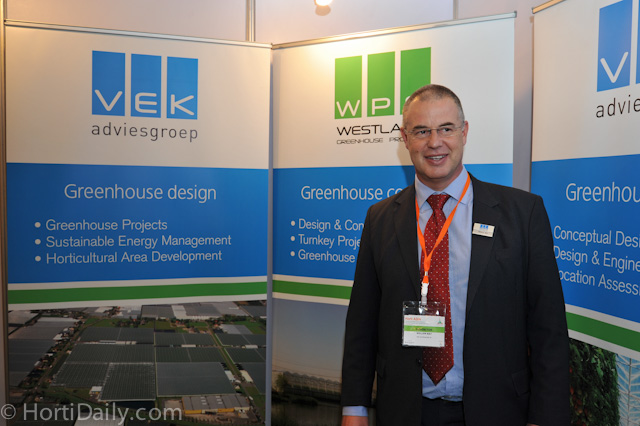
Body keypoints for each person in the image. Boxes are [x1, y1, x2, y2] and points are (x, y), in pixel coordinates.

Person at [340, 84, 569, 426]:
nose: (435, 142)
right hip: (406, 411)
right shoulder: (380, 219)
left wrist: (546, 418)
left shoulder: (523, 214)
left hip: (499, 411)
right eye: (421, 131)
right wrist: (354, 408)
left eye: (446, 128)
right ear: (405, 139)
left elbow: (548, 329)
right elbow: (363, 322)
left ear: (464, 132)